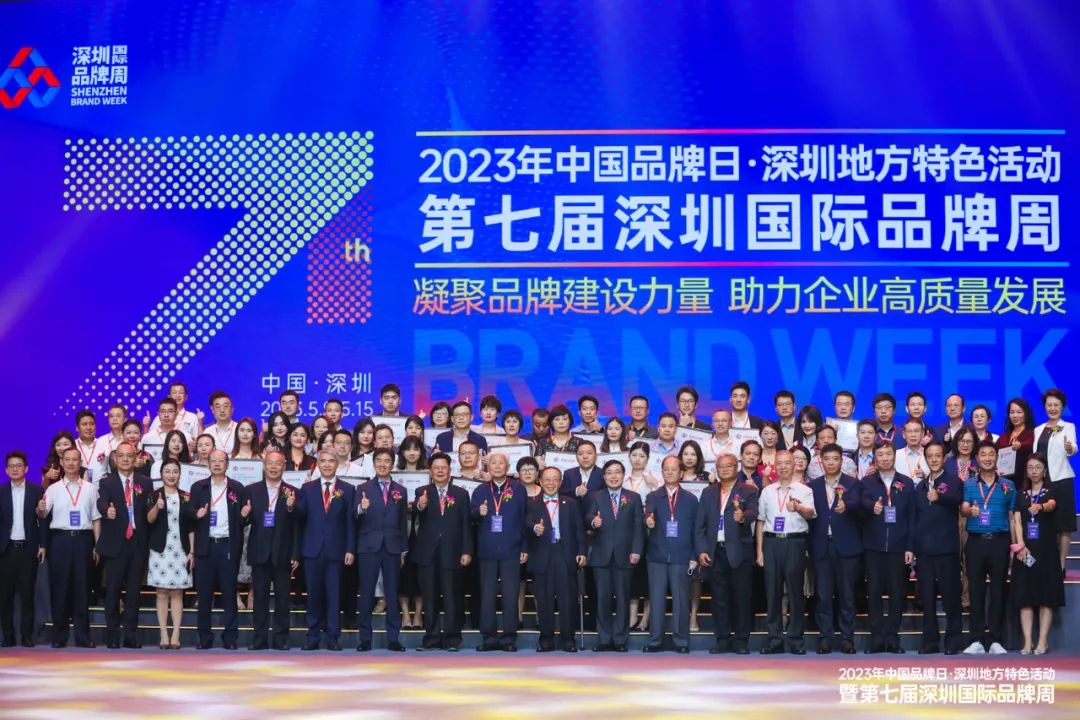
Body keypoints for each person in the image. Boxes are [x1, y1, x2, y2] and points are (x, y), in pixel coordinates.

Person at [185, 449, 249, 650]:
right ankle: (204, 637)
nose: (217, 464)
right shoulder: (198, 487)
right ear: (208, 463)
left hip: (228, 547)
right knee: (204, 595)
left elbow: (243, 521)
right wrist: (196, 514)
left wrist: (245, 514)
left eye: (221, 461)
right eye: (213, 461)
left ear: (227, 464)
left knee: (229, 594)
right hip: (205, 547)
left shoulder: (237, 488)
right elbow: (188, 514)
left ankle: (230, 637)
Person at [696, 453, 759, 654]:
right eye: (720, 466)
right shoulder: (708, 492)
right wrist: (702, 550)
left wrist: (743, 516)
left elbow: (754, 513)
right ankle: (722, 639)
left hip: (739, 552)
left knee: (742, 598)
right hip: (715, 552)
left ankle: (741, 640)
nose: (724, 469)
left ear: (736, 467)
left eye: (728, 466)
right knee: (719, 598)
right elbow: (700, 525)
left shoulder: (748, 490)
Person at [38, 447, 100, 647]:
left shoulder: (90, 488)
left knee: (82, 589)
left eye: (75, 460)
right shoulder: (53, 489)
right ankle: (59, 637)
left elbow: (96, 519)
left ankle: (83, 637)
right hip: (60, 541)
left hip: (83, 540)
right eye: (68, 460)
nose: (71, 463)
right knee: (60, 588)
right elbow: (43, 514)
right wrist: (40, 510)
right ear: (62, 463)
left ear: (80, 463)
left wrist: (97, 545)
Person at [294, 449, 356, 651]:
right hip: (312, 550)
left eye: (331, 461)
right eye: (323, 461)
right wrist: (291, 505)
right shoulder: (307, 488)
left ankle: (332, 637)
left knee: (334, 595)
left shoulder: (348, 489)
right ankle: (312, 636)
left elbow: (350, 522)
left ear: (337, 464)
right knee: (313, 595)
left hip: (337, 551)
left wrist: (350, 549)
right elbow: (300, 517)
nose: (327, 464)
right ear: (318, 464)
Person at [961, 440, 1017, 655]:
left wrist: (1014, 546)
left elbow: (1012, 517)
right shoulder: (969, 484)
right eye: (983, 454)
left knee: (998, 591)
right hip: (975, 542)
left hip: (999, 542)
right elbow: (964, 507)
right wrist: (969, 511)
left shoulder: (1007, 485)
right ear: (977, 458)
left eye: (991, 454)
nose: (987, 458)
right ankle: (976, 638)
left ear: (996, 457)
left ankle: (995, 639)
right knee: (975, 591)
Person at [755, 450, 814, 655]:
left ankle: (796, 640)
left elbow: (811, 514)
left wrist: (798, 507)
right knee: (772, 593)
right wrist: (759, 551)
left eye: (787, 463)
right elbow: (760, 521)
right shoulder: (767, 491)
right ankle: (775, 640)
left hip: (795, 542)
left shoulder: (804, 490)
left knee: (796, 592)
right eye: (779, 463)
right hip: (771, 543)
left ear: (794, 465)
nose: (783, 467)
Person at [413, 452, 473, 651]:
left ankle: (452, 639)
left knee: (451, 598)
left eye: (443, 467)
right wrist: (420, 505)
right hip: (427, 554)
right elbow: (415, 513)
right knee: (429, 599)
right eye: (436, 468)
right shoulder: (422, 491)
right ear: (430, 471)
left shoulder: (461, 494)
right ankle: (431, 638)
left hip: (452, 552)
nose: (440, 471)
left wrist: (467, 551)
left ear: (450, 470)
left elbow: (466, 524)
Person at [96, 442, 153, 648]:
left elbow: (149, 511)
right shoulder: (107, 482)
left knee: (134, 592)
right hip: (115, 545)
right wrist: (106, 511)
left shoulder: (145, 482)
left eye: (130, 455)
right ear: (115, 459)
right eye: (121, 456)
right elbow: (101, 502)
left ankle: (130, 635)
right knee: (112, 592)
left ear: (136, 458)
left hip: (137, 544)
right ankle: (112, 636)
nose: (126, 459)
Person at [860, 441, 915, 653]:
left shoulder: (906, 483)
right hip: (872, 547)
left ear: (894, 456)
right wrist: (869, 507)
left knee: (897, 593)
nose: (885, 458)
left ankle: (892, 638)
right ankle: (876, 639)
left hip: (898, 547)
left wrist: (910, 547)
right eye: (880, 455)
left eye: (888, 454)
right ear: (875, 458)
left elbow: (912, 517)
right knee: (873, 592)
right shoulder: (866, 482)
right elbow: (858, 506)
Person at [585, 460, 644, 653]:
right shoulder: (595, 496)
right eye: (609, 473)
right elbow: (587, 516)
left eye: (617, 472)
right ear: (604, 477)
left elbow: (638, 527)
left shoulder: (633, 498)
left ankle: (620, 639)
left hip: (625, 555)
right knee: (602, 599)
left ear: (623, 475)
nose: (613, 476)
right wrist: (593, 521)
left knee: (623, 599)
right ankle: (604, 639)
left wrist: (636, 550)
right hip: (601, 555)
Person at [808, 444, 862, 654]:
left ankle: (847, 639)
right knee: (823, 595)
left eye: (835, 459)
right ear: (821, 461)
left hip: (847, 547)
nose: (831, 462)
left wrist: (848, 506)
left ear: (842, 461)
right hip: (822, 546)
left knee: (847, 595)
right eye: (827, 459)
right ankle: (825, 638)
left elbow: (859, 505)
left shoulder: (853, 484)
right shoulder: (813, 486)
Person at [911, 442, 964, 655]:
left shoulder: (953, 481)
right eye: (930, 456)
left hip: (946, 550)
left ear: (944, 458)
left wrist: (939, 497)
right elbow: (915, 518)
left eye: (937, 456)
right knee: (927, 599)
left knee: (951, 598)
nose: (933, 459)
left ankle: (953, 642)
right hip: (924, 552)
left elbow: (957, 499)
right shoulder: (920, 487)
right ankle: (930, 642)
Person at [471, 456, 529, 651]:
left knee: (510, 595)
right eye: (493, 463)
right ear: (488, 467)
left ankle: (508, 638)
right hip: (487, 550)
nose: (497, 466)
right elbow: (470, 516)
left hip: (512, 549)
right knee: (487, 596)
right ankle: (488, 638)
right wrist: (478, 512)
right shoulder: (480, 490)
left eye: (501, 463)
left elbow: (525, 518)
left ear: (508, 466)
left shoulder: (518, 489)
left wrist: (524, 547)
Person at [643, 456, 699, 653]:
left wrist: (694, 555)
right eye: (666, 469)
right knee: (656, 600)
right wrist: (648, 522)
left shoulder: (691, 499)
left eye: (674, 469)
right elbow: (647, 516)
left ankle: (681, 641)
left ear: (681, 473)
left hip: (682, 556)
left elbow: (696, 530)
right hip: (657, 555)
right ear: (662, 472)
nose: (669, 472)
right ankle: (655, 641)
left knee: (681, 601)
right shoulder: (653, 496)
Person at [527, 467, 586, 652]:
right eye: (547, 479)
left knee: (567, 598)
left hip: (565, 553)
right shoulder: (532, 504)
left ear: (560, 482)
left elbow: (579, 531)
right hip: (542, 554)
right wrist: (534, 528)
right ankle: (546, 638)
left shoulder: (571, 503)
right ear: (540, 481)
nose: (551, 483)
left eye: (555, 479)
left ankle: (568, 639)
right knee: (544, 599)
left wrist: (582, 552)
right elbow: (525, 525)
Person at [355, 448, 409, 652]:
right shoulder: (362, 488)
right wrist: (361, 508)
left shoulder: (400, 490)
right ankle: (365, 639)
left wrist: (403, 551)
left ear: (392, 464)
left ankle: (393, 639)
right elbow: (354, 517)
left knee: (392, 593)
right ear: (374, 463)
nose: (383, 464)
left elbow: (403, 523)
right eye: (379, 460)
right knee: (367, 593)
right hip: (368, 547)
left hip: (393, 548)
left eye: (387, 461)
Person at [1011, 453, 1064, 655]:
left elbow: (1052, 505)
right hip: (1026, 550)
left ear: (1045, 471)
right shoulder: (1021, 494)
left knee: (1045, 597)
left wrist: (1040, 506)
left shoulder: (1051, 491)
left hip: (1046, 550)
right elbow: (1017, 520)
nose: (1034, 471)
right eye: (1030, 467)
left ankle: (1042, 641)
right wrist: (1020, 545)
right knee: (1024, 597)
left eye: (1038, 467)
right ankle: (1027, 642)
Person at [245, 450, 298, 651]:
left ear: (284, 467)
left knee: (283, 599)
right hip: (259, 552)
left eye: (278, 463)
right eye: (270, 463)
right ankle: (259, 639)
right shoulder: (252, 490)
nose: (273, 467)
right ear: (264, 466)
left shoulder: (291, 491)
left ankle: (281, 639)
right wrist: (244, 514)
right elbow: (244, 520)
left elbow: (298, 524)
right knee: (260, 598)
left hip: (282, 553)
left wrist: (292, 508)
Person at [0, 451, 45, 647]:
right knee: (5, 597)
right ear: (6, 470)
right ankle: (8, 637)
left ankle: (27, 636)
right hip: (6, 551)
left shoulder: (36, 491)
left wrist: (43, 545)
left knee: (27, 596)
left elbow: (42, 520)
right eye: (11, 466)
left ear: (26, 468)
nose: (15, 469)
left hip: (27, 549)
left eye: (18, 465)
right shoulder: (1, 492)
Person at [146, 459, 193, 650]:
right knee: (162, 592)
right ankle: (163, 633)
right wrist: (157, 507)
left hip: (180, 549)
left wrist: (192, 551)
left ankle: (176, 635)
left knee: (178, 592)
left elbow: (191, 526)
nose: (171, 475)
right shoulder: (153, 495)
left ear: (180, 474)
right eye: (167, 471)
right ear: (161, 474)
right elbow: (149, 520)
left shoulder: (186, 496)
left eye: (175, 471)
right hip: (160, 550)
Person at [1032, 388, 1076, 574]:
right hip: (1042, 483)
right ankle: (1047, 562)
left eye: (1056, 405)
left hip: (1062, 480)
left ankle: (1061, 564)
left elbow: (1072, 449)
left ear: (1062, 407)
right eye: (1049, 405)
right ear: (1044, 407)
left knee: (1064, 525)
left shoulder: (1068, 427)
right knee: (1044, 524)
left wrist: (1069, 447)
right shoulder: (1038, 429)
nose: (1052, 408)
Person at [996, 397, 1035, 486]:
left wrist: (1021, 446)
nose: (1015, 415)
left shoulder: (1033, 434)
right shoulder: (1003, 437)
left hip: (1025, 483)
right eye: (1012, 412)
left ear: (1026, 415)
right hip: (1003, 484)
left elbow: (1033, 449)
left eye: (1019, 412)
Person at [894, 418, 930, 483]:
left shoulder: (929, 455)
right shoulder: (896, 455)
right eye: (909, 431)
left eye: (916, 431)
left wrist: (925, 477)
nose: (913, 435)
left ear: (922, 434)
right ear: (904, 434)